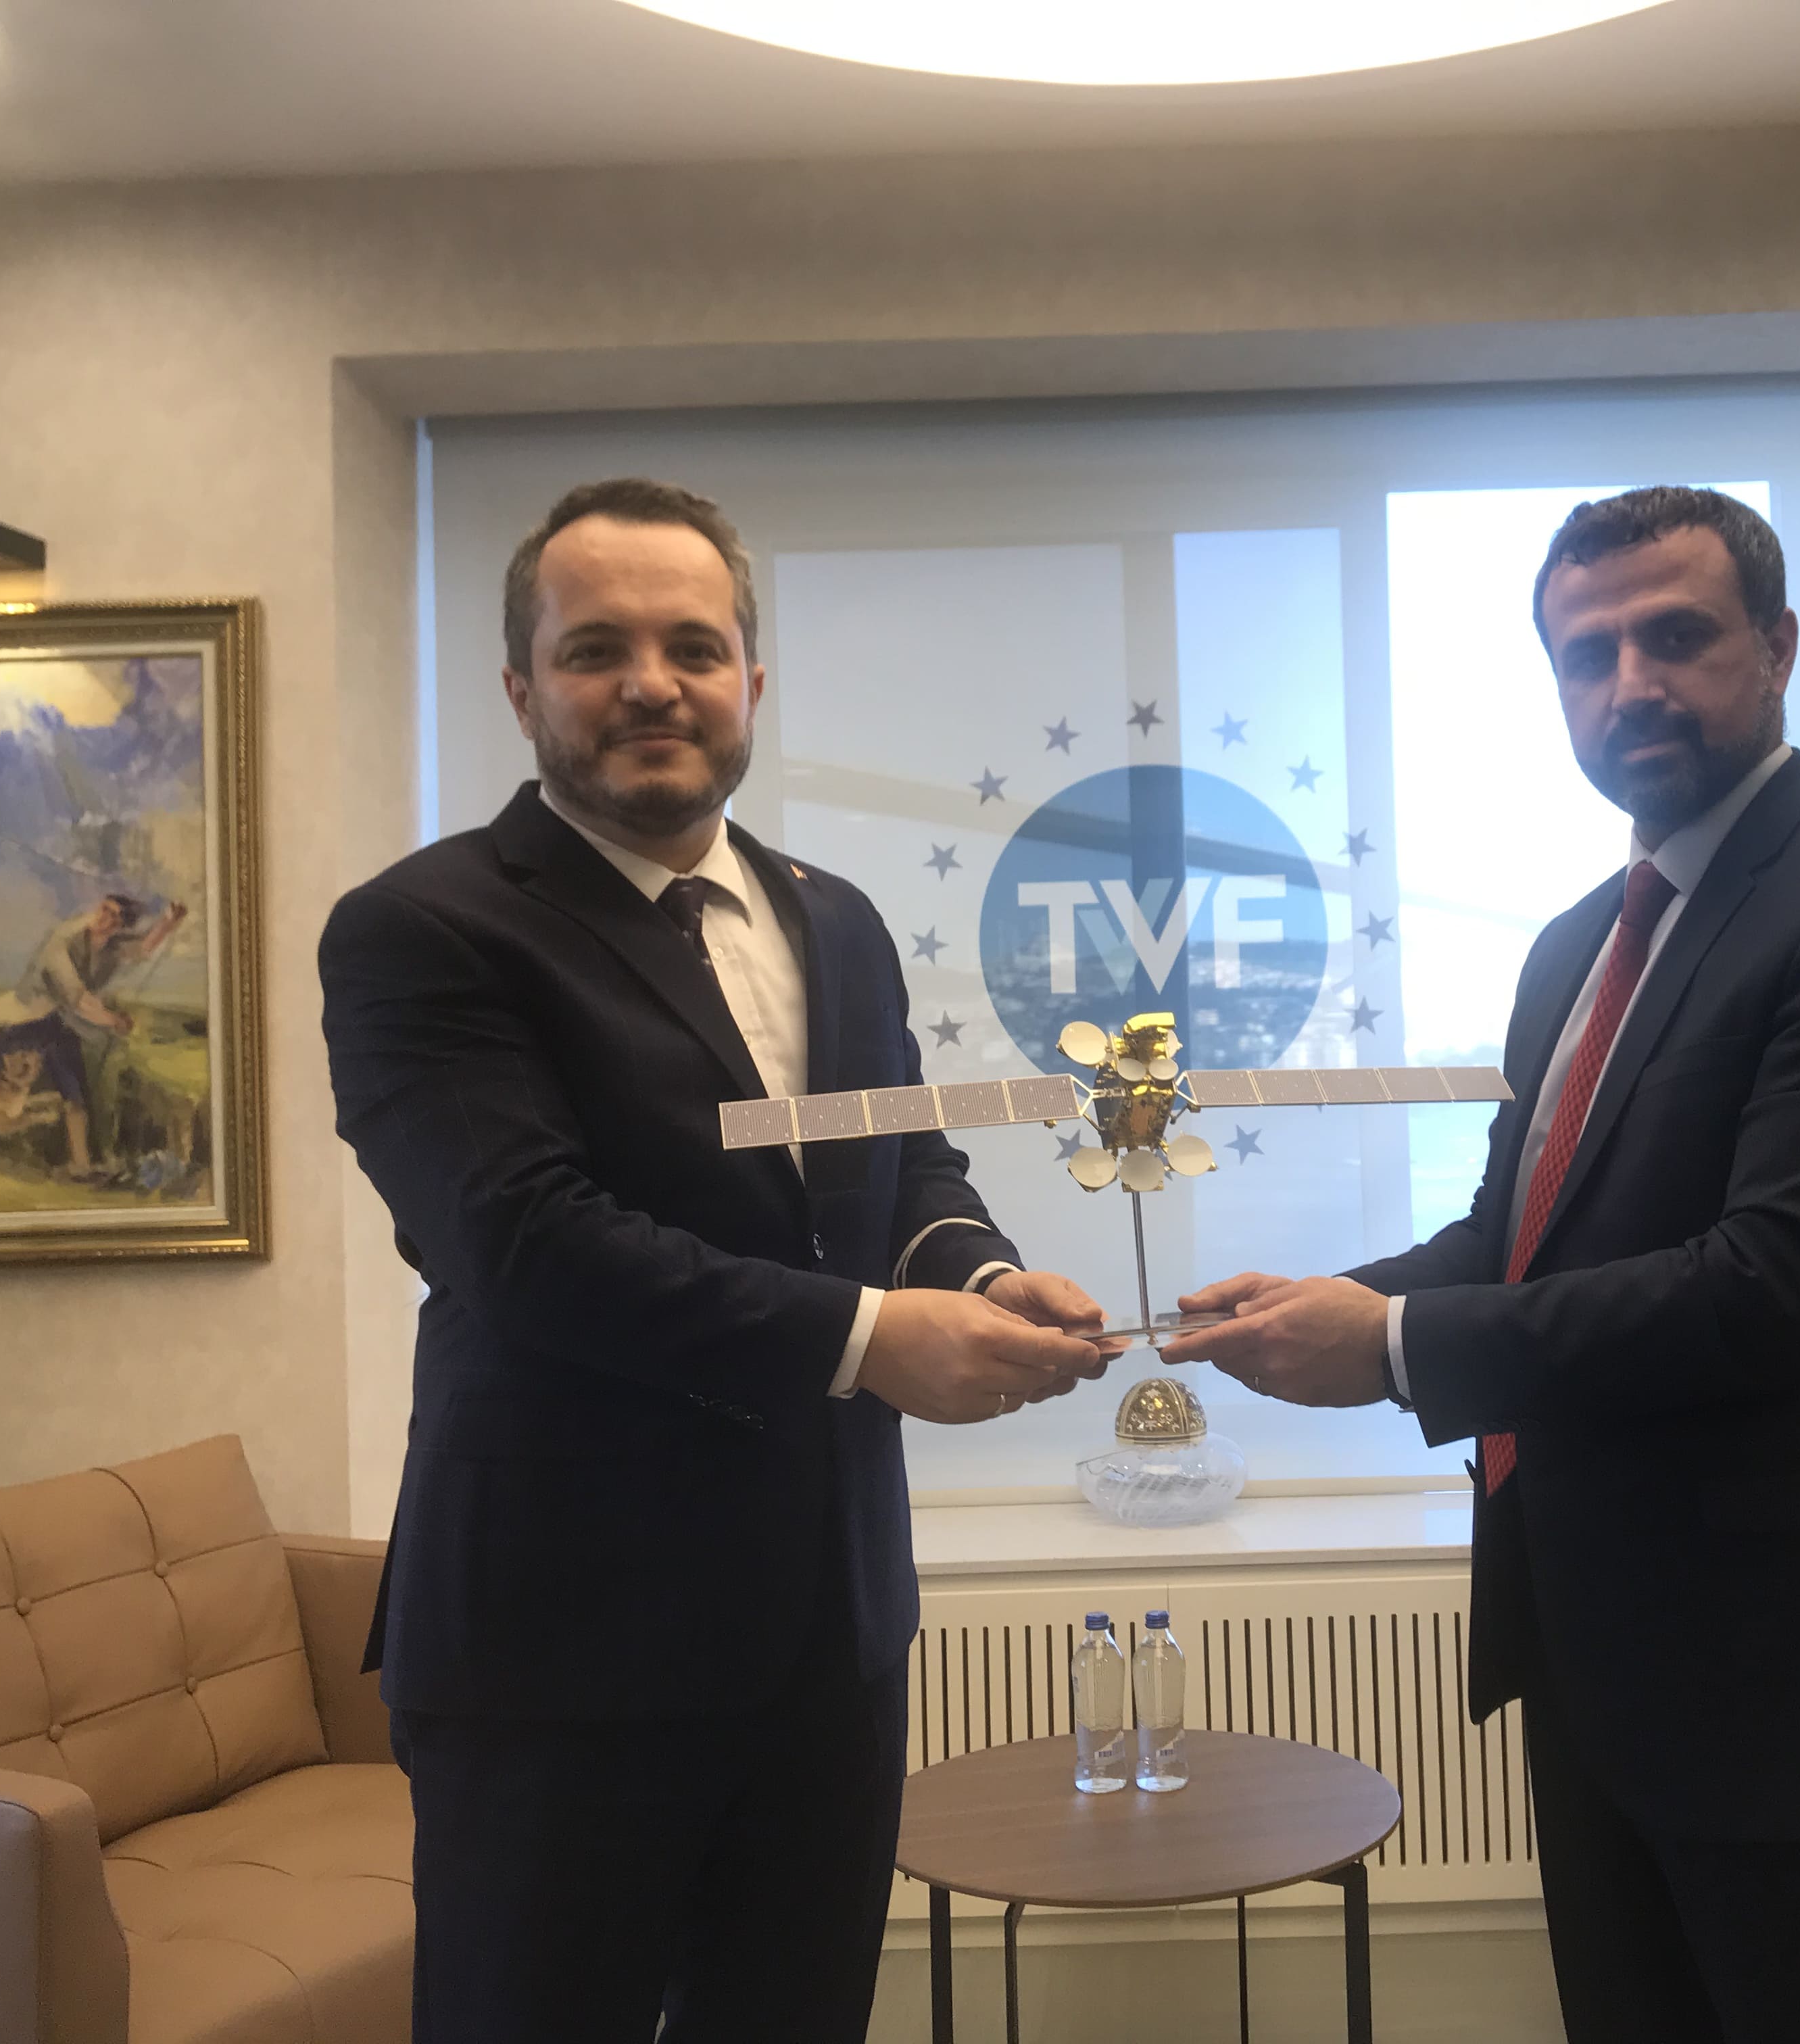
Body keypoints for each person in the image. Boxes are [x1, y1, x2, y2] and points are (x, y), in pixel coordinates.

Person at [1165, 487, 1800, 2044]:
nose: (1631, 685)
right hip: (1591, 1651)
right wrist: (1311, 1302)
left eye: (1676, 637)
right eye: (1587, 655)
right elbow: (1512, 1240)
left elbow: (1773, 1286)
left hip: (1787, 1680)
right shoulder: (1576, 944)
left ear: (1779, 648)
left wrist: (1396, 1350)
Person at [318, 477, 1112, 2044]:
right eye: (596, 649)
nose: (651, 684)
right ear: (522, 689)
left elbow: (902, 1167)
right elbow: (528, 1244)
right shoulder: (423, 929)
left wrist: (980, 1277)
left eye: (692, 647)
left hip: (828, 1636)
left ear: (751, 678)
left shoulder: (839, 923)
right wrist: (875, 1338)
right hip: (559, 1658)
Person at [0, 890, 187, 1177]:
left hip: (64, 1022)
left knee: (75, 1094)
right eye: (105, 909)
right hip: (34, 1016)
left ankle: (81, 1166)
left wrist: (168, 922)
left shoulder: (112, 947)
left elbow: (142, 949)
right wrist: (113, 1020)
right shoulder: (63, 941)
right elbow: (77, 998)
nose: (105, 918)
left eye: (114, 917)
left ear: (119, 926)